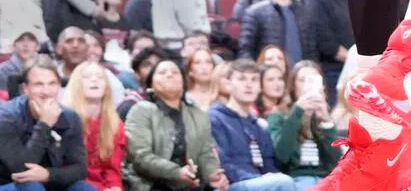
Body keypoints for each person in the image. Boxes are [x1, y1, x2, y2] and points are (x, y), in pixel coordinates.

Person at [0, 55, 92, 191]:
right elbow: (20, 169)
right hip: (3, 183)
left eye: (52, 84)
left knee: (84, 188)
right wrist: (44, 124)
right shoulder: (6, 117)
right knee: (32, 187)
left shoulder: (70, 117)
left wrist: (48, 175)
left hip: (49, 183)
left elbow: (80, 169)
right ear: (26, 88)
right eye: (39, 84)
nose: (46, 91)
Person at [122, 59, 228, 191]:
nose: (169, 75)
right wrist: (176, 173)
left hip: (190, 185)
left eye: (175, 72)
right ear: (151, 85)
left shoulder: (198, 114)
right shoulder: (141, 110)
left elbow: (205, 153)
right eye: (162, 72)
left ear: (184, 83)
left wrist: (212, 175)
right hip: (149, 185)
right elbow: (140, 156)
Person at [208, 60, 296, 191]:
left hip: (260, 182)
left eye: (254, 80)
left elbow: (268, 163)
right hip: (232, 184)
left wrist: (269, 176)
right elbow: (223, 163)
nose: (248, 85)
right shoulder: (215, 118)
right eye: (242, 79)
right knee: (283, 183)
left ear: (260, 87)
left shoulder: (259, 125)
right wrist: (258, 178)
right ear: (228, 84)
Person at [266, 61, 343, 187]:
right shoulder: (278, 116)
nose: (309, 85)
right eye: (303, 80)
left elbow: (335, 164)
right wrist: (297, 111)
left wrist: (326, 122)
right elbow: (282, 157)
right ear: (293, 86)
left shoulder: (325, 116)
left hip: (325, 181)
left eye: (314, 80)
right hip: (295, 180)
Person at [238, 0, 315, 65]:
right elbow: (246, 50)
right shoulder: (254, 13)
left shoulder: (304, 13)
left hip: (299, 76)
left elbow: (311, 52)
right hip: (268, 76)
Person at [63, 61, 125, 191]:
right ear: (77, 85)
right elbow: (66, 169)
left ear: (107, 87)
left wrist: (114, 187)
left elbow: (112, 169)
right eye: (86, 77)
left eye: (100, 77)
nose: (94, 80)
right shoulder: (65, 120)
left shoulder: (115, 124)